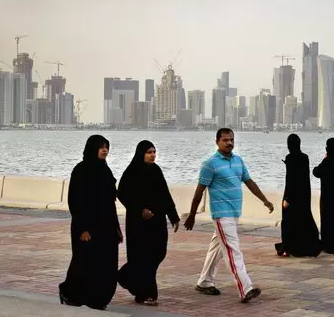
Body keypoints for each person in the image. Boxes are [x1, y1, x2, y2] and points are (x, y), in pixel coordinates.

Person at [184, 128, 274, 303]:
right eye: (225, 140)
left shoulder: (238, 161)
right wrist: (192, 214)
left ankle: (204, 282)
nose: (229, 143)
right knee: (233, 251)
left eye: (231, 139)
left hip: (234, 213)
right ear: (217, 142)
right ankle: (245, 288)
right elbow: (199, 191)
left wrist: (265, 200)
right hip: (221, 215)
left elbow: (249, 182)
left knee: (216, 248)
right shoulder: (210, 164)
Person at [59, 135, 123, 311]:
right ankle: (70, 293)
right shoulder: (81, 170)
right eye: (101, 147)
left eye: (106, 147)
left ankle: (99, 299)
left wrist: (117, 228)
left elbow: (110, 203)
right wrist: (83, 228)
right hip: (87, 226)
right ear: (92, 148)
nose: (105, 150)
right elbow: (75, 201)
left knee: (107, 264)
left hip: (106, 226)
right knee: (84, 263)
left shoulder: (105, 170)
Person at [117, 140, 180, 306]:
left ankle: (124, 275)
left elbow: (165, 194)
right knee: (141, 257)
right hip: (138, 223)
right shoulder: (132, 172)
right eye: (149, 152)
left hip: (157, 221)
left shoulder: (156, 170)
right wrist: (140, 210)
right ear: (141, 154)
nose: (152, 155)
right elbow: (122, 193)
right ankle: (145, 294)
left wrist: (173, 215)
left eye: (154, 152)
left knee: (158, 253)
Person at [274, 134, 322, 257]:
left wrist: (287, 198)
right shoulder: (305, 157)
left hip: (292, 195)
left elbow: (291, 179)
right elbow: (303, 178)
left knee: (289, 221)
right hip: (304, 195)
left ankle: (289, 247)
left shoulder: (290, 158)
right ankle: (310, 246)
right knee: (304, 220)